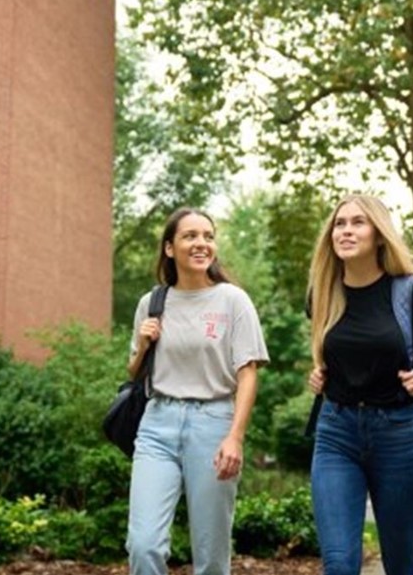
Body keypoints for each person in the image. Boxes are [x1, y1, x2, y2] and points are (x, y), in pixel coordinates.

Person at [126, 208, 270, 575]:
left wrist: (235, 437)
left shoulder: (233, 300)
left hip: (214, 424)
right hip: (157, 424)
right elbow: (134, 372)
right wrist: (143, 345)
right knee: (143, 546)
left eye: (208, 235)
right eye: (190, 236)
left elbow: (248, 373)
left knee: (210, 554)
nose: (201, 243)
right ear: (170, 248)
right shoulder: (152, 302)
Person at [306, 194, 413, 575]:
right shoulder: (322, 292)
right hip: (337, 433)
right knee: (339, 563)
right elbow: (330, 347)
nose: (346, 230)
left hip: (400, 435)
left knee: (400, 566)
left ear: (379, 235)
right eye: (339, 223)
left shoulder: (411, 291)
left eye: (357, 222)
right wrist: (319, 371)